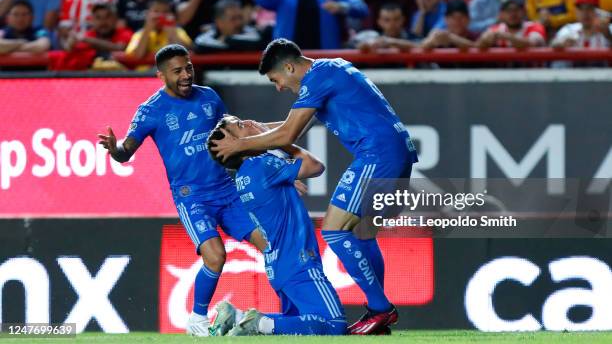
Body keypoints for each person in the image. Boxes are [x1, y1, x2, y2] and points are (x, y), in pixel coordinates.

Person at [211, 38, 419, 335]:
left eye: (276, 79)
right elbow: (289, 125)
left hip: (378, 153)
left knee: (335, 230)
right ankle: (378, 312)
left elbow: (288, 133)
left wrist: (241, 143)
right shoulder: (330, 69)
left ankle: (381, 309)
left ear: (290, 66)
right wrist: (253, 131)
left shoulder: (317, 79)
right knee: (361, 231)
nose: (279, 87)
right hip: (397, 150)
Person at [97, 45, 265, 337]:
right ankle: (198, 321)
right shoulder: (150, 111)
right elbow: (127, 151)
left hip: (227, 191)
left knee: (270, 245)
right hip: (193, 198)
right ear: (160, 75)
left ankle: (292, 313)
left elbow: (235, 139)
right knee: (215, 256)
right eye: (178, 71)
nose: (186, 75)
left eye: (188, 67)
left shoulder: (209, 98)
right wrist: (115, 150)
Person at [205, 116, 347, 336]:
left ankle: (239, 318)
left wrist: (284, 173)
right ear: (236, 147)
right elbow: (315, 166)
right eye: (241, 126)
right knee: (334, 325)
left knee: (297, 325)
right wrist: (282, 139)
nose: (251, 123)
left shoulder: (246, 174)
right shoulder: (261, 165)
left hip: (279, 267)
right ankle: (257, 323)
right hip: (298, 263)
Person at [125, 0, 192, 60]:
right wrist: (147, 30)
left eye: (165, 12)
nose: (160, 15)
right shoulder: (139, 34)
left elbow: (185, 55)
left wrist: (172, 34)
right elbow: (138, 56)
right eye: (156, 11)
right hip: (145, 71)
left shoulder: (178, 32)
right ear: (148, 14)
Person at [193, 0, 265, 53]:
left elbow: (257, 44)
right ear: (219, 22)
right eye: (233, 19)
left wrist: (227, 40)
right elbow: (199, 45)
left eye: (240, 17)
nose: (238, 22)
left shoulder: (253, 32)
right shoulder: (208, 35)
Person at [477, 0, 546, 48]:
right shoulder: (495, 29)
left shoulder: (535, 27)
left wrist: (507, 36)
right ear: (501, 14)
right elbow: (479, 46)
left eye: (516, 10)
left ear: (524, 12)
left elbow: (532, 43)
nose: (512, 14)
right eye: (508, 11)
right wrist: (484, 41)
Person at [350, 2, 417, 51]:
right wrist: (365, 45)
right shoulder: (373, 37)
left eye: (396, 19)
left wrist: (391, 41)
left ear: (403, 20)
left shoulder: (412, 37)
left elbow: (420, 46)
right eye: (387, 20)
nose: (392, 24)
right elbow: (352, 46)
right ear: (379, 22)